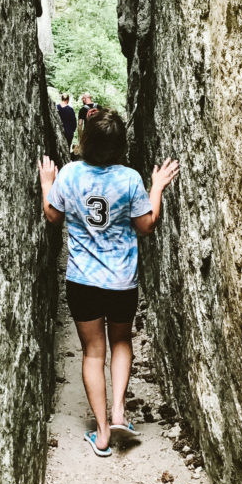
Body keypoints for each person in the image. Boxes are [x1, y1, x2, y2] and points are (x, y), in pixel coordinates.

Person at [38, 109, 179, 457]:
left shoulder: (69, 174)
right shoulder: (129, 179)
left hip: (83, 281)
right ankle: (119, 413)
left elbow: (53, 216)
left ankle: (101, 433)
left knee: (92, 352)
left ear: (86, 140)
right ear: (119, 146)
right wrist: (157, 186)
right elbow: (147, 226)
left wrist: (47, 184)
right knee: (120, 341)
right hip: (121, 280)